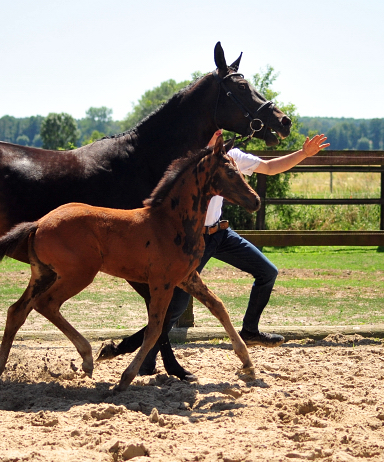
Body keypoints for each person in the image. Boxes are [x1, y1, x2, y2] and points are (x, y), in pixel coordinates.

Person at [136, 131, 330, 376]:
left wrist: (303, 153)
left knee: (267, 272)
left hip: (221, 233)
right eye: (214, 127)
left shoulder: (230, 156)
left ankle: (249, 330)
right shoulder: (186, 157)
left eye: (220, 128)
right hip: (193, 239)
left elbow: (269, 167)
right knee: (176, 305)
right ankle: (147, 359)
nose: (219, 131)